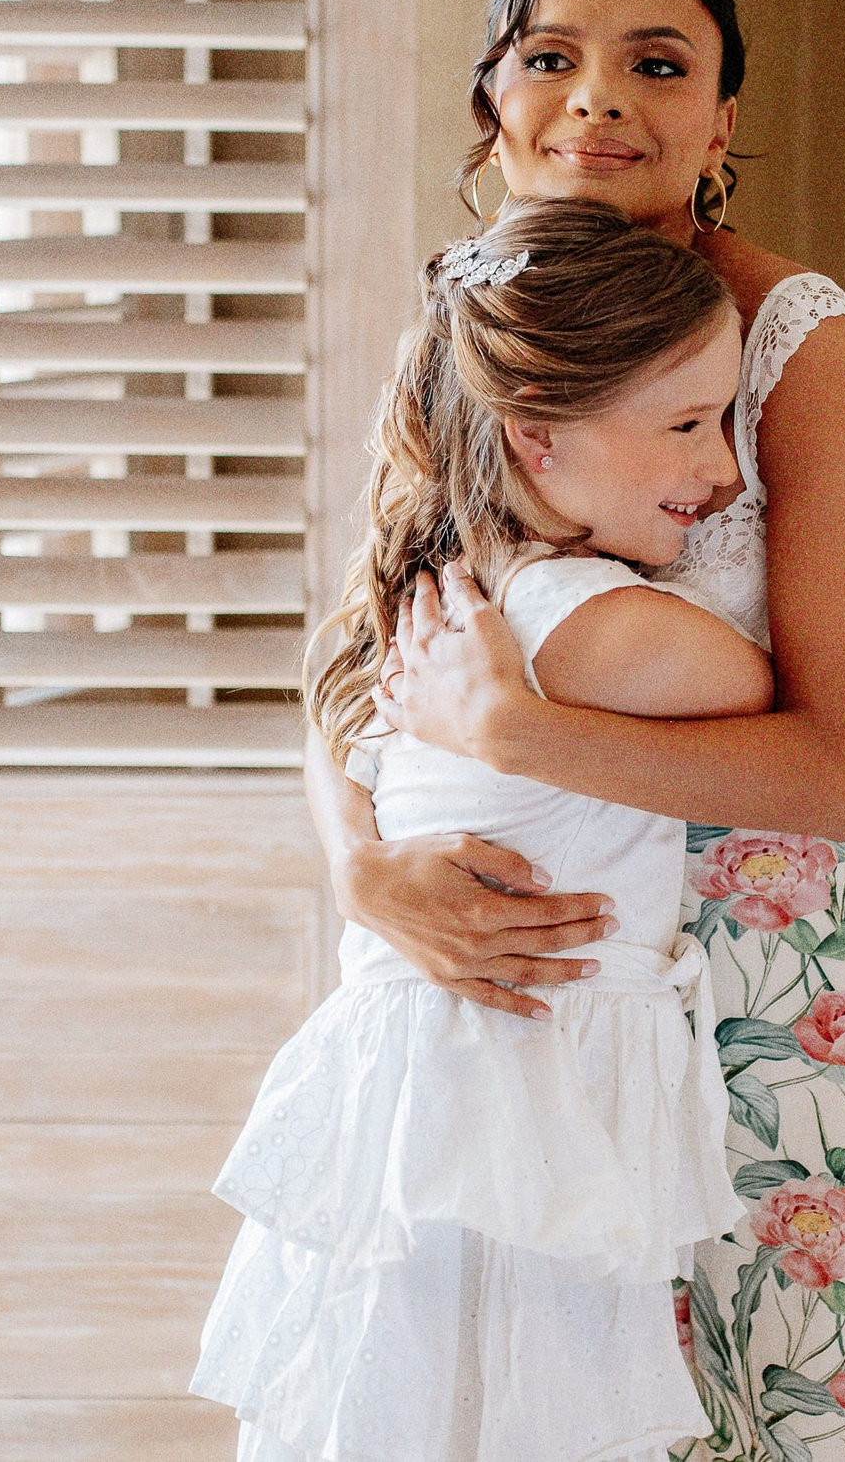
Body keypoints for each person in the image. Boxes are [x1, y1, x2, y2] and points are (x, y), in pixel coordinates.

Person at [323, 0, 845, 1462]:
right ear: (493, 105)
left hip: (795, 1001)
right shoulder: (470, 328)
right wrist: (367, 871)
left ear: (720, 123)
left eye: (657, 61)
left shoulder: (791, 338)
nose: (599, 98)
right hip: (546, 999)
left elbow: (834, 769)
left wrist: (515, 730)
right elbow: (352, 662)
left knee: (817, 1415)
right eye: (551, 57)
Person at [194, 198, 778, 1462]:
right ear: (537, 437)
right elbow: (806, 713)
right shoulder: (587, 624)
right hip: (518, 1093)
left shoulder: (446, 583)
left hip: (439, 1081)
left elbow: (332, 722)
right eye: (687, 424)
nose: (725, 470)